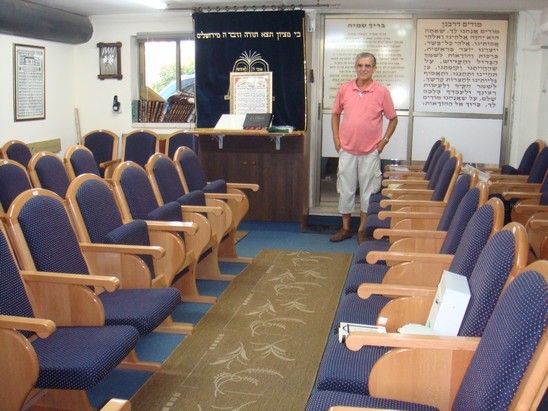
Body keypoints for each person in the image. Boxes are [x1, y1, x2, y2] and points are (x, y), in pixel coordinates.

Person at [330, 52, 398, 244]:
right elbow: (335, 114)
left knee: (368, 191)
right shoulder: (345, 89)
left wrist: (383, 141)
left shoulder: (382, 92)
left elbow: (393, 119)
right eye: (360, 65)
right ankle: (345, 228)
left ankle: (362, 229)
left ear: (374, 68)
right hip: (347, 150)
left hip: (370, 152)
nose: (363, 69)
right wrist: (336, 138)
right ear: (355, 67)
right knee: (346, 189)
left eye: (368, 66)